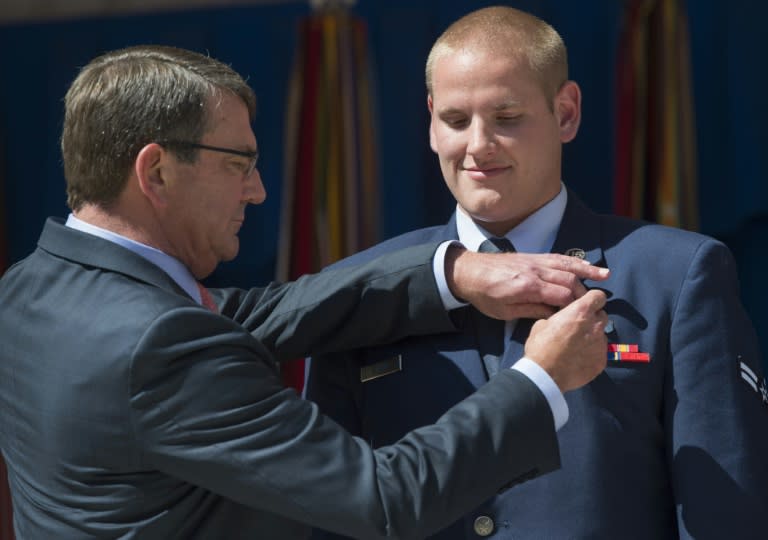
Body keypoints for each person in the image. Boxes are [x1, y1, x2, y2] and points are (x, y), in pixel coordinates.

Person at [0, 44, 615, 539]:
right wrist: (540, 377)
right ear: (156, 171)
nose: (258, 190)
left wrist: (452, 273)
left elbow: (256, 314)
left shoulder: (28, 291)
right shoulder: (160, 342)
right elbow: (384, 499)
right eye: (238, 163)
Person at [306, 6, 768, 540]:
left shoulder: (676, 274)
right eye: (456, 120)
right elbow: (331, 511)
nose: (478, 145)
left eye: (506, 118)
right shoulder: (361, 285)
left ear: (566, 112)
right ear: (430, 121)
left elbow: (723, 510)